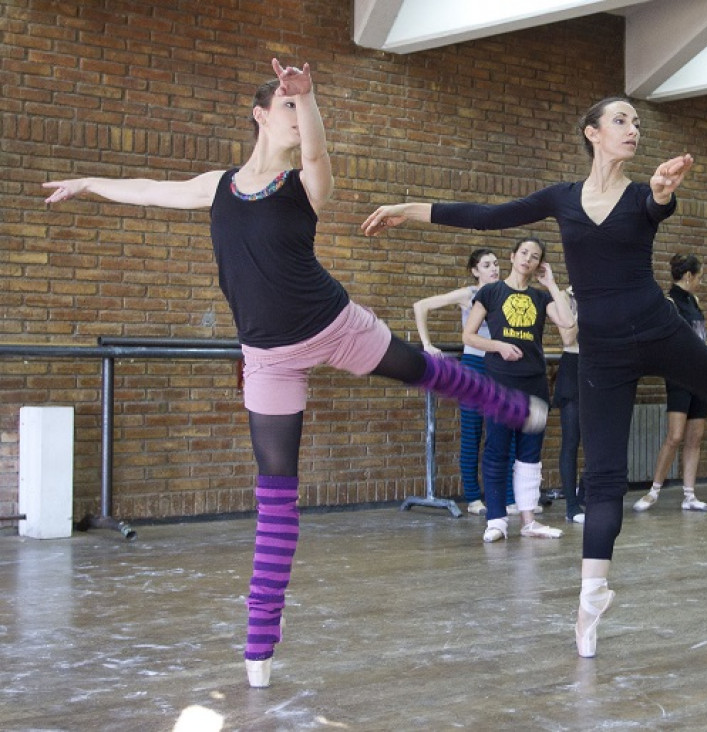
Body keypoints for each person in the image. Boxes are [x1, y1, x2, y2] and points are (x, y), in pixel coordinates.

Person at [44, 60, 547, 688]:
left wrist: (305, 98)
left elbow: (318, 149)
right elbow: (150, 189)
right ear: (259, 115)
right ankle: (260, 643)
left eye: (297, 106)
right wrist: (91, 181)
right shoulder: (219, 185)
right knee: (277, 494)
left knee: (422, 369)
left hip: (335, 323)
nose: (293, 113)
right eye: (282, 104)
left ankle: (509, 404)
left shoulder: (305, 182)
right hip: (268, 355)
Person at [361, 96, 707, 658]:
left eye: (637, 123)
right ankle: (591, 595)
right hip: (601, 352)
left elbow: (656, 205)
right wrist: (407, 207)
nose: (633, 129)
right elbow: (484, 213)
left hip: (657, 327)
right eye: (621, 120)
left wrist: (664, 191)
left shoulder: (641, 195)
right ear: (592, 133)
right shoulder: (562, 199)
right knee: (602, 478)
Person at [463, 236, 573, 542]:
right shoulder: (491, 291)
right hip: (499, 381)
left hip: (534, 382)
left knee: (529, 453)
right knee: (497, 449)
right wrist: (498, 345)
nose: (528, 258)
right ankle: (496, 519)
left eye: (535, 256)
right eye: (524, 252)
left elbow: (567, 323)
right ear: (512, 256)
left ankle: (528, 521)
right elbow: (469, 336)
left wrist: (551, 283)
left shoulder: (540, 298)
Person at [413, 248, 517, 516]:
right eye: (486, 265)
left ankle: (508, 497)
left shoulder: (505, 293)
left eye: (496, 264)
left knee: (504, 432)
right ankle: (473, 498)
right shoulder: (467, 295)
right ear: (475, 270)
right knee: (472, 431)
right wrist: (427, 344)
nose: (494, 269)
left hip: (500, 367)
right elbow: (421, 305)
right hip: (473, 366)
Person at [634, 254, 707, 513]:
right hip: (680, 375)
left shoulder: (695, 301)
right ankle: (654, 491)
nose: (700, 282)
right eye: (699, 277)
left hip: (700, 375)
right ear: (688, 276)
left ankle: (689, 495)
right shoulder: (668, 303)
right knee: (675, 435)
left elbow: (698, 338)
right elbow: (679, 341)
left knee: (695, 436)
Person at [553, 286, 585, 523]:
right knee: (571, 439)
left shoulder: (603, 291)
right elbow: (568, 336)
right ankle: (572, 506)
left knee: (600, 439)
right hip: (573, 365)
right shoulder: (564, 296)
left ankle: (585, 494)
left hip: (599, 366)